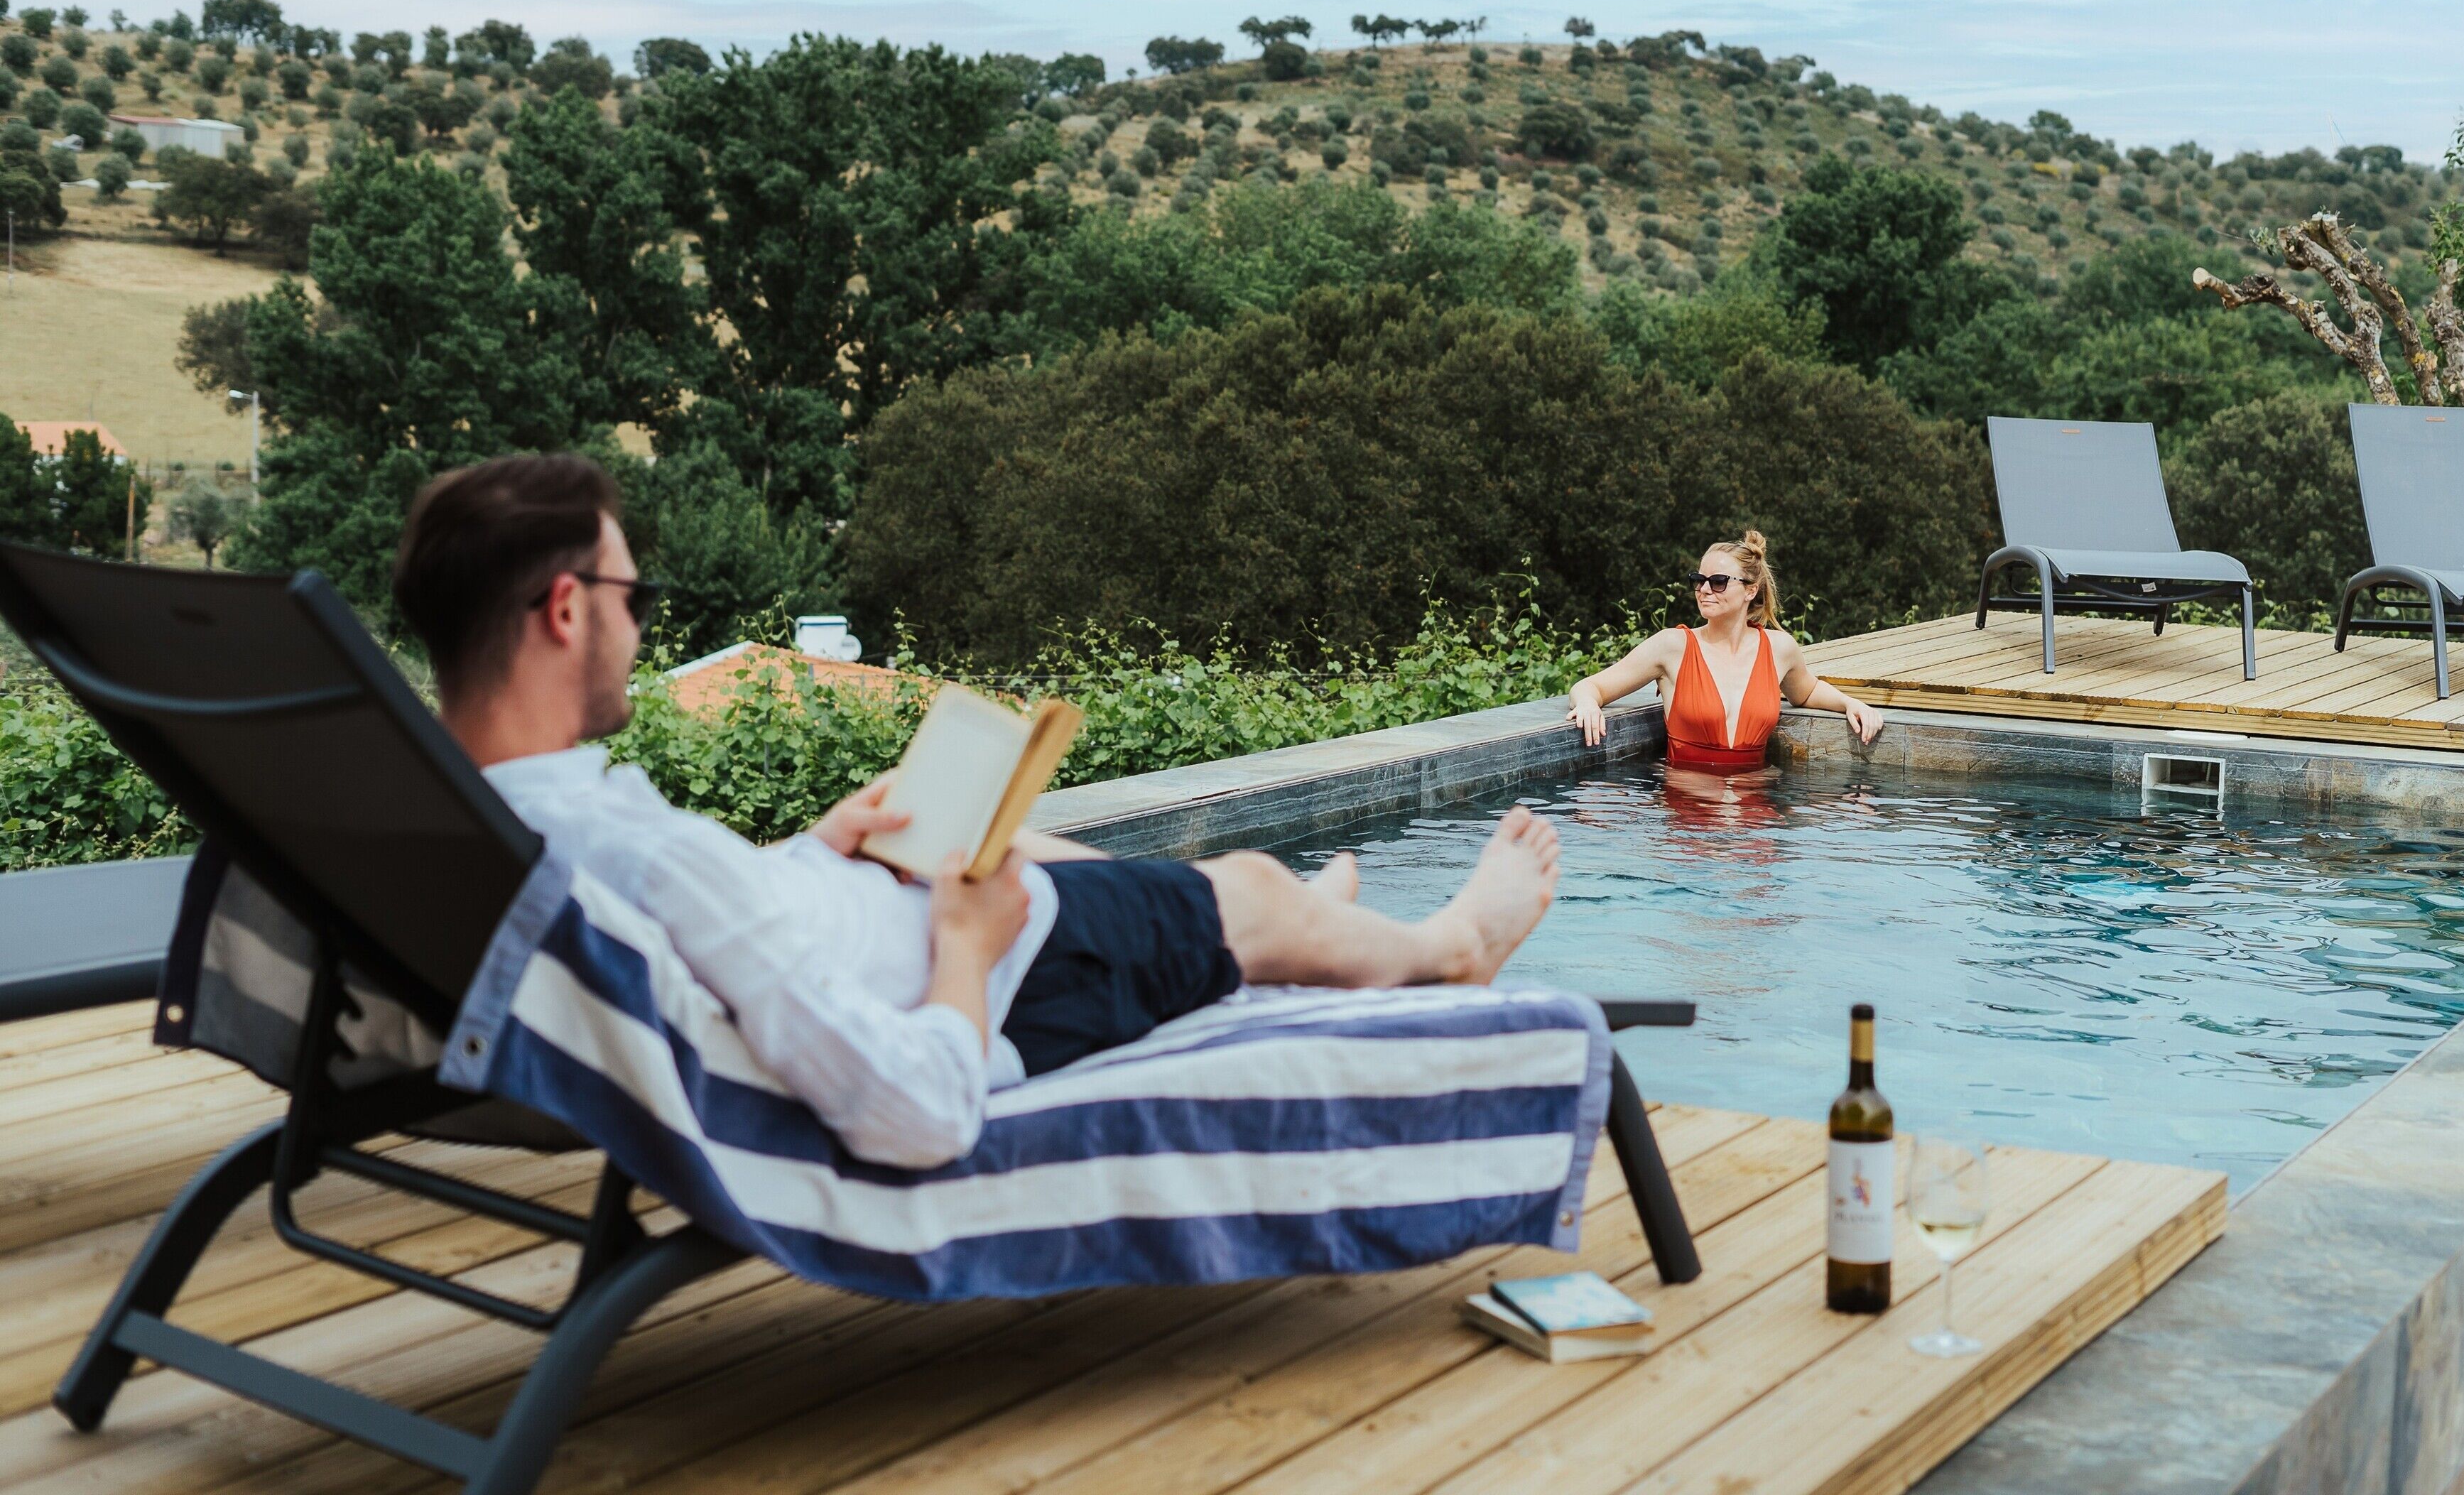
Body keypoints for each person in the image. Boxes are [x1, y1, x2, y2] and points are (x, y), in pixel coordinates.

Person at [392, 454, 1562, 1171]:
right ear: (565, 610)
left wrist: (812, 853)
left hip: (860, 919)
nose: (639, 625)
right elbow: (915, 1114)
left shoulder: (448, 818)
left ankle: (1298, 933)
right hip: (991, 978)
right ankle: (1440, 948)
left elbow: (701, 932)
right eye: (631, 596)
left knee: (1030, 844)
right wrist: (965, 944)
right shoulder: (627, 851)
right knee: (1244, 884)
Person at [1565, 531, 1884, 769]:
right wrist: (1588, 704)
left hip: (1755, 813)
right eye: (1699, 580)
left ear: (1750, 590)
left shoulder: (1779, 648)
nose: (1704, 590)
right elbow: (1590, 686)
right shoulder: (1672, 646)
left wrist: (1851, 703)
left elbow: (1807, 691)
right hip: (1689, 811)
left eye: (1718, 581)